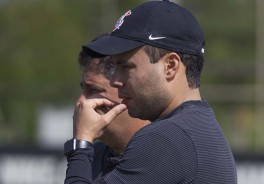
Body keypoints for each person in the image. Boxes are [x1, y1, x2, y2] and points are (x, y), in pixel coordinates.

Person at [65, 0, 238, 183]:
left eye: (127, 67)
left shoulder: (167, 138)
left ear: (170, 66)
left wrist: (81, 144)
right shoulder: (194, 128)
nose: (115, 80)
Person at [64, 34, 149, 182]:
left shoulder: (160, 153)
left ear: (126, 88)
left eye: (93, 90)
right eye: (83, 89)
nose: (81, 102)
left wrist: (81, 144)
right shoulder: (92, 155)